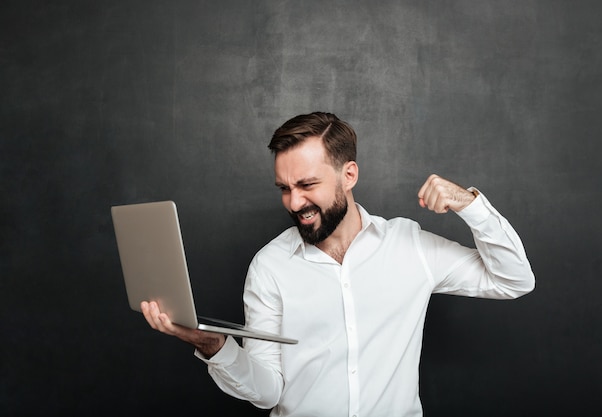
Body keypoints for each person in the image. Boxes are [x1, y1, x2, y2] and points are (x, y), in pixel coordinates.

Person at [141, 112, 535, 416]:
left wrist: (470, 204)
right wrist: (211, 345)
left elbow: (514, 280)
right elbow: (267, 392)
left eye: (307, 185)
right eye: (284, 189)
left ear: (349, 175)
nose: (294, 203)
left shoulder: (408, 245)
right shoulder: (270, 266)